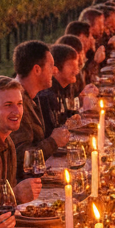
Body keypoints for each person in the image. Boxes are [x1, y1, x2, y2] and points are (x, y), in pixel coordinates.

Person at [0, 75, 41, 222]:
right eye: (8, 105)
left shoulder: (8, 141)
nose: (17, 111)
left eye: (19, 104)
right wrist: (13, 195)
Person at [11, 39, 70, 180]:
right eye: (51, 66)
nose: (55, 70)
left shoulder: (31, 97)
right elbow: (22, 158)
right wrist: (53, 141)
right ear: (37, 70)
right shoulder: (15, 104)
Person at [37, 42, 80, 129]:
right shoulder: (46, 96)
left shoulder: (64, 88)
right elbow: (52, 131)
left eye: (76, 65)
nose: (76, 70)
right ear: (55, 70)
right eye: (71, 65)